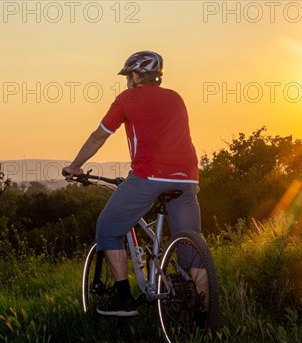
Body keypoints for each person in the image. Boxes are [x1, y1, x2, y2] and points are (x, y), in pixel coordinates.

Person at [63, 51, 201, 317]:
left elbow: (97, 137)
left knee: (107, 228)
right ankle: (204, 312)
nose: (127, 80)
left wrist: (75, 166)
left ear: (136, 76)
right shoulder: (176, 98)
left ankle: (124, 299)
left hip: (149, 176)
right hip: (188, 178)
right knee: (190, 245)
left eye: (128, 75)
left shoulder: (127, 99)